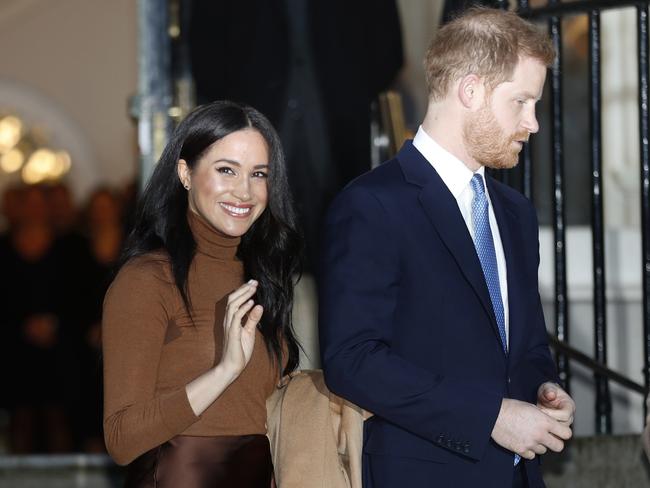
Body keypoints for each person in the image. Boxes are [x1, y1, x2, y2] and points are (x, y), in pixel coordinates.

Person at [319, 8, 576, 488]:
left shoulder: (515, 212)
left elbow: (526, 344)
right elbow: (352, 361)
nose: (533, 123)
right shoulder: (371, 204)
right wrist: (491, 417)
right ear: (471, 90)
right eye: (521, 102)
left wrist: (543, 388)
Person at [102, 100, 302, 487]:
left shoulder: (263, 279)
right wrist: (224, 370)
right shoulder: (147, 280)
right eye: (226, 170)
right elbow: (121, 439)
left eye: (258, 174)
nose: (244, 191)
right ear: (185, 173)